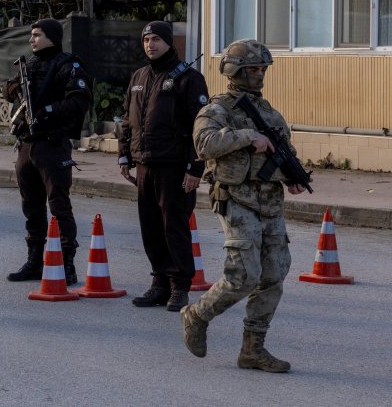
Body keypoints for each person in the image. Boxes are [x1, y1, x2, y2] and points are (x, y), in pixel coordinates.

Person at [181, 39, 304, 373]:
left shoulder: (270, 113)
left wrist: (291, 174)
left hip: (270, 202)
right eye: (253, 68)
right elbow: (205, 144)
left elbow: (282, 151)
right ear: (235, 69)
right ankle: (196, 315)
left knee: (274, 275)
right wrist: (248, 137)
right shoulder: (216, 110)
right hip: (236, 198)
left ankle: (253, 349)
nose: (259, 74)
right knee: (243, 276)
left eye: (263, 68)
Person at [118, 21, 210, 312]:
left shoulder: (188, 78)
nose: (150, 45)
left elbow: (200, 127)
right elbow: (127, 120)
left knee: (175, 227)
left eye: (156, 39)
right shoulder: (138, 76)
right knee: (151, 228)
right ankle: (159, 284)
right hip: (145, 165)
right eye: (146, 40)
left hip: (175, 167)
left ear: (169, 42)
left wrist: (196, 169)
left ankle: (180, 287)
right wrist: (124, 156)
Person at [4, 18, 92, 285]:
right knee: (31, 206)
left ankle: (67, 263)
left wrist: (47, 112)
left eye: (36, 35)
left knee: (59, 205)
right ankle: (34, 261)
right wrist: (16, 87)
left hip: (53, 144)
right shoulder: (28, 64)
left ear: (52, 37)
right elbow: (8, 91)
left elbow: (79, 101)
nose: (32, 40)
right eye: (31, 35)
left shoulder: (68, 65)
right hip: (27, 144)